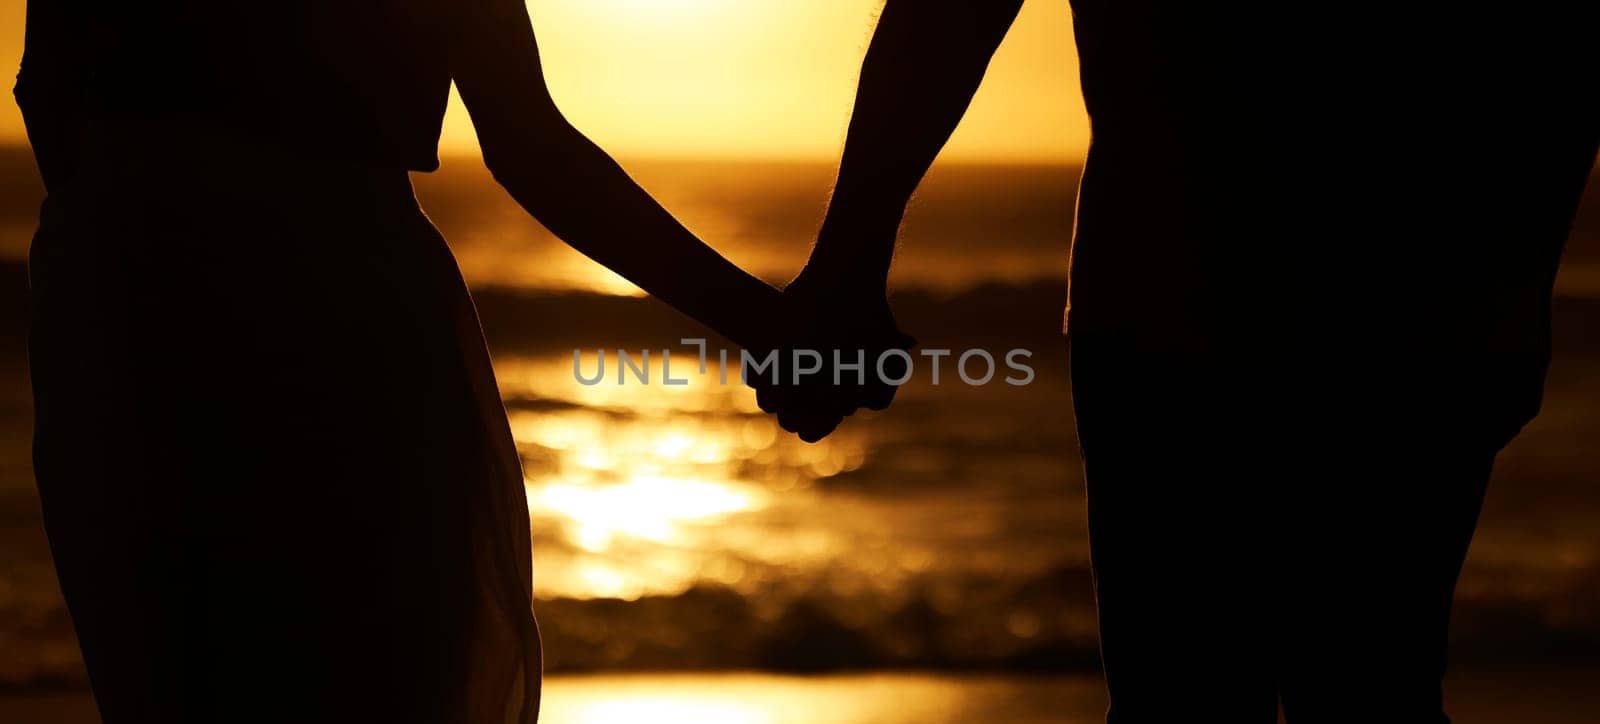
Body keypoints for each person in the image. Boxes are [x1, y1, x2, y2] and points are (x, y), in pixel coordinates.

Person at [16, 1, 860, 721]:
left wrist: (126, 240)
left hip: (129, 303)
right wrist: (771, 327)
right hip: (333, 308)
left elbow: (44, 89)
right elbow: (528, 142)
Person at [767, 0, 1600, 721]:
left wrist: (848, 262)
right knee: (1358, 689)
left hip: (1206, 274)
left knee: (1237, 696)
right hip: (1396, 272)